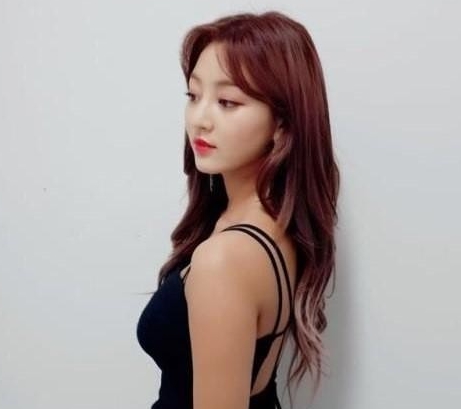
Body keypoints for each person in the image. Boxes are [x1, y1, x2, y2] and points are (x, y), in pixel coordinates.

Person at [137, 10, 340, 409]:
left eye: (227, 102)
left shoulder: (225, 260)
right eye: (193, 96)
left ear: (282, 123)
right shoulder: (271, 224)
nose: (200, 119)